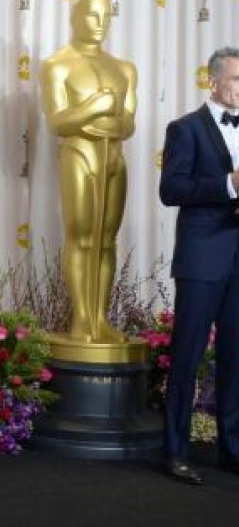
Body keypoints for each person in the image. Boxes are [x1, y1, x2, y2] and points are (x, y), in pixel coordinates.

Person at [159, 46, 239, 485]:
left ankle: (232, 449)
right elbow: (171, 188)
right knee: (187, 356)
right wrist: (228, 184)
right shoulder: (185, 129)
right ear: (213, 82)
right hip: (202, 257)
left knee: (236, 358)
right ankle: (175, 451)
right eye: (237, 79)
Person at [39, 0, 136, 344]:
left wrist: (116, 121)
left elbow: (128, 122)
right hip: (79, 153)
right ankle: (82, 318)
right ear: (75, 19)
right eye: (93, 16)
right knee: (81, 236)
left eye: (107, 16)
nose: (101, 23)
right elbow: (57, 122)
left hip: (113, 157)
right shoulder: (57, 65)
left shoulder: (124, 68)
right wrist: (96, 107)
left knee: (107, 240)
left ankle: (100, 317)